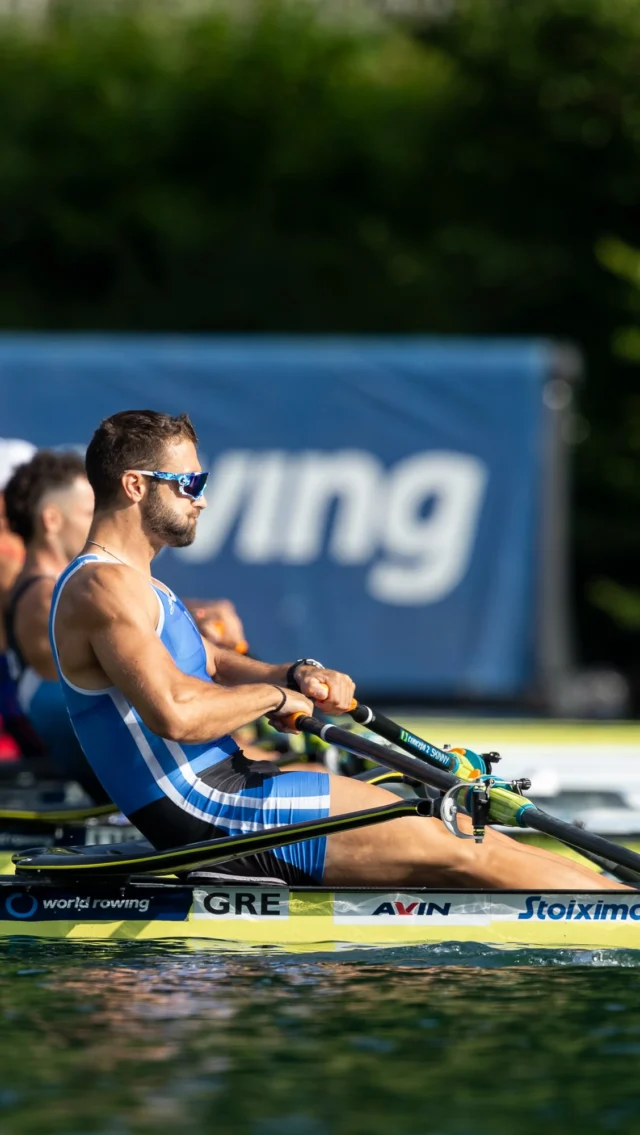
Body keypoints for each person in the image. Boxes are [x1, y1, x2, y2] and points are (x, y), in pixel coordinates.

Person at [50, 409, 626, 890]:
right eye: (190, 484)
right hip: (208, 811)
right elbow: (175, 713)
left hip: (233, 785)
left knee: (469, 829)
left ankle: (620, 898)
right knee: (457, 846)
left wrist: (293, 673)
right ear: (135, 485)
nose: (202, 500)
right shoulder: (102, 587)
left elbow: (213, 662)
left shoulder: (140, 582)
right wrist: (273, 698)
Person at [3, 450, 108, 799]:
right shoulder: (43, 601)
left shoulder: (60, 591)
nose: (99, 523)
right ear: (51, 520)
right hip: (91, 783)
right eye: (89, 513)